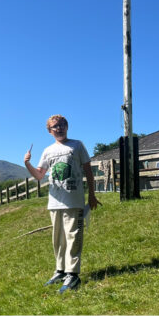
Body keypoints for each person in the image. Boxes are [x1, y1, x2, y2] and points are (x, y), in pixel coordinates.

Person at [24, 114, 101, 293]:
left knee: (73, 236)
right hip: (55, 202)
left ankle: (73, 275)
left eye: (62, 125)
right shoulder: (47, 151)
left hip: (74, 201)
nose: (59, 128)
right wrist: (27, 163)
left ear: (67, 127)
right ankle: (60, 271)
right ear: (49, 131)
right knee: (58, 239)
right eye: (55, 126)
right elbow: (39, 175)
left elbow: (88, 171)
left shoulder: (77, 145)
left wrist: (92, 195)